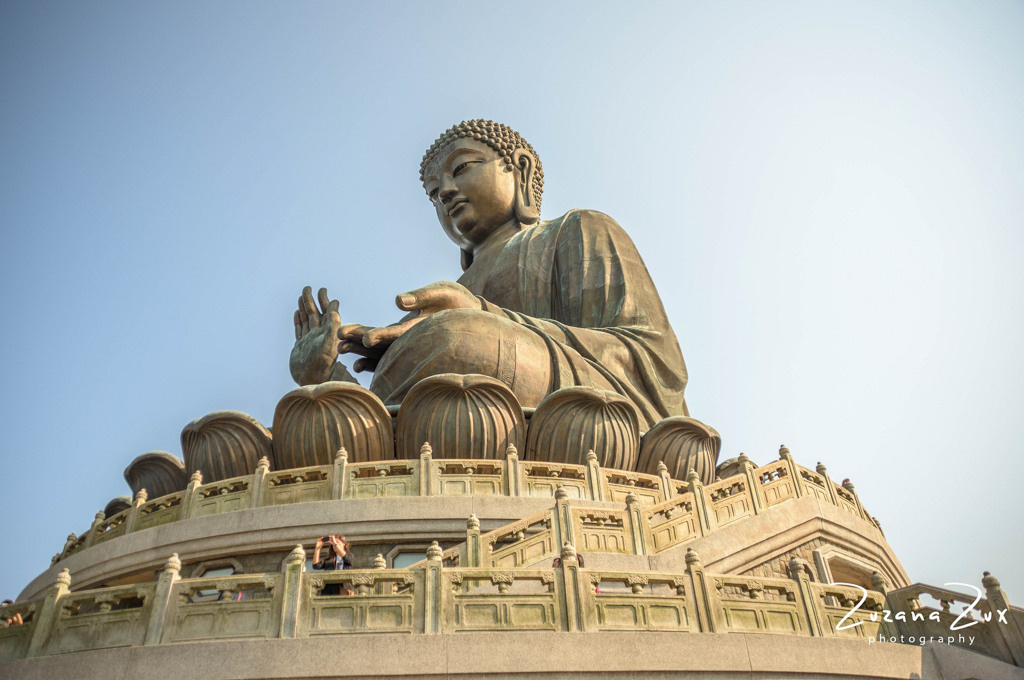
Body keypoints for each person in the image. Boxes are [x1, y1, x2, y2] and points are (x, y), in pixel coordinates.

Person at [290, 120, 688, 429]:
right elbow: (394, 420)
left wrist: (480, 316)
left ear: (520, 169)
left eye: (461, 168)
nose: (445, 192)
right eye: (433, 193)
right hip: (454, 430)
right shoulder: (452, 294)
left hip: (586, 414)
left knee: (456, 337)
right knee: (444, 339)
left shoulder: (578, 230)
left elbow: (650, 364)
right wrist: (327, 378)